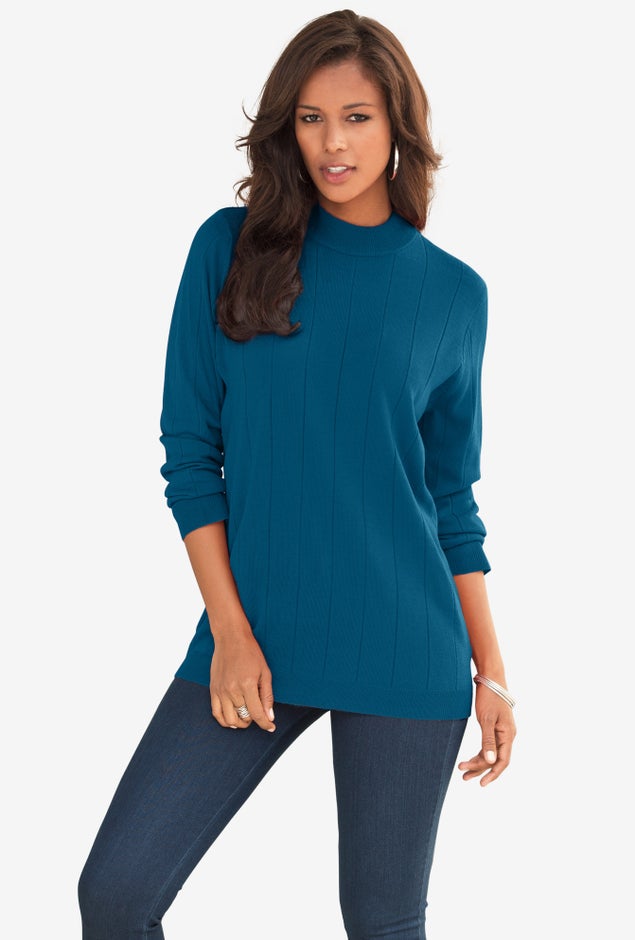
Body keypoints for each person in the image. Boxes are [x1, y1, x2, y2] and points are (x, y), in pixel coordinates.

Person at [78, 9, 517, 939]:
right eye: (311, 119)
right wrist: (230, 632)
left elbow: (449, 499)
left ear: (398, 126)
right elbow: (190, 454)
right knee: (115, 895)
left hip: (406, 646)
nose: (332, 143)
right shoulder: (229, 248)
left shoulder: (453, 294)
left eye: (356, 117)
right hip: (257, 634)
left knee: (382, 925)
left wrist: (493, 672)